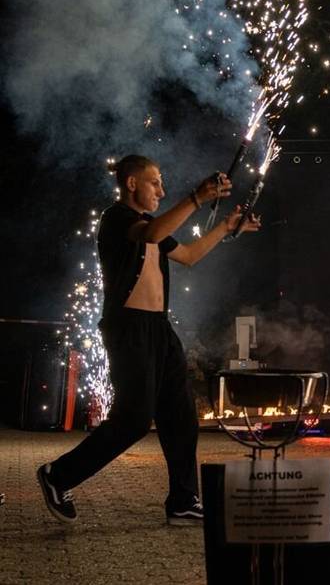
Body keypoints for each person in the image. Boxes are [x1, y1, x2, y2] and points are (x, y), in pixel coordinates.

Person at [37, 154, 260, 526]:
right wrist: (197, 198)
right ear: (131, 184)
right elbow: (152, 234)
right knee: (134, 420)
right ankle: (57, 476)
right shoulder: (117, 219)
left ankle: (183, 500)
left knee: (181, 416)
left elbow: (188, 255)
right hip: (129, 329)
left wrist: (225, 227)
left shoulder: (153, 226)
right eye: (154, 182)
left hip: (160, 330)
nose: (161, 190)